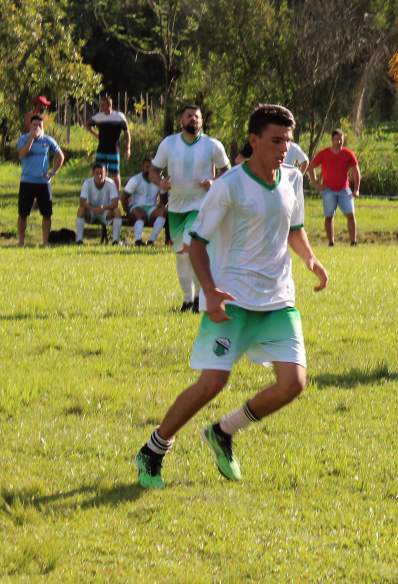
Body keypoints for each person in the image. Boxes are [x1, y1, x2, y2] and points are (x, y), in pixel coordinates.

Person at [133, 104, 328, 489]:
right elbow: (197, 244)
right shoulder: (229, 186)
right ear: (254, 141)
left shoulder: (292, 180)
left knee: (293, 383)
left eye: (287, 140)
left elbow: (295, 228)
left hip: (278, 299)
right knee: (212, 383)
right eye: (276, 141)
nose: (284, 148)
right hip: (233, 300)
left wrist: (311, 260)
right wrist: (209, 292)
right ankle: (154, 448)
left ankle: (224, 431)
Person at [150, 104, 230, 312]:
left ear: (202, 122)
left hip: (200, 206)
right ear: (181, 121)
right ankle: (188, 300)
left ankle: (198, 299)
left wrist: (214, 183)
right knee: (180, 254)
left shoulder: (212, 145)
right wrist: (161, 184)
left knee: (189, 250)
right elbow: (153, 170)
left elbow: (227, 171)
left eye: (197, 116)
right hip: (176, 207)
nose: (193, 119)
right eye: (189, 116)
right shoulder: (169, 144)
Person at [306, 129, 361, 246]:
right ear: (332, 140)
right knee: (329, 216)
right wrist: (316, 183)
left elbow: (356, 172)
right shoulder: (324, 153)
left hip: (344, 189)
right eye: (337, 139)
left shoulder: (348, 154)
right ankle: (331, 242)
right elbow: (310, 167)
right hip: (328, 190)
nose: (339, 141)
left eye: (341, 138)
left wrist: (356, 189)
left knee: (351, 215)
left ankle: (353, 242)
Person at [17, 115, 64, 247]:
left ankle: (45, 242)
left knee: (47, 214)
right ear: (30, 126)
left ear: (43, 127)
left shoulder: (48, 140)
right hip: (27, 181)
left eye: (40, 125)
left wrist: (53, 172)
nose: (37, 127)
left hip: (43, 183)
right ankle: (21, 242)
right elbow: (22, 154)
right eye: (34, 125)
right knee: (23, 213)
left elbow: (60, 156)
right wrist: (31, 139)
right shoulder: (23, 139)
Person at [86, 95, 131, 193]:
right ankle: (100, 193)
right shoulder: (98, 117)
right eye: (101, 105)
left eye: (104, 105)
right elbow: (88, 124)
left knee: (115, 174)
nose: (102, 108)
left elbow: (127, 133)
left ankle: (116, 195)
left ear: (109, 105)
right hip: (101, 149)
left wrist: (128, 148)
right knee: (99, 172)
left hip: (114, 150)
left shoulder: (119, 116)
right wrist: (96, 135)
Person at [76, 163, 123, 245]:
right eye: (97, 173)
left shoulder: (111, 183)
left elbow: (115, 203)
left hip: (105, 213)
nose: (99, 176)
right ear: (93, 173)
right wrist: (93, 209)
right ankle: (79, 240)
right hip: (91, 212)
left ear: (106, 174)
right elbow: (82, 201)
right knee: (81, 210)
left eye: (102, 173)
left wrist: (103, 207)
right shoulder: (87, 183)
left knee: (117, 211)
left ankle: (115, 241)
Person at [123, 157, 167, 246]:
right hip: (136, 207)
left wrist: (163, 191)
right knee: (140, 215)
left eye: (152, 167)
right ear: (142, 167)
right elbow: (123, 197)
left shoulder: (160, 180)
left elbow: (163, 201)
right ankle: (138, 241)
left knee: (163, 212)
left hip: (152, 208)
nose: (149, 170)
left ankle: (151, 241)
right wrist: (127, 211)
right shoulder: (135, 180)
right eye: (147, 167)